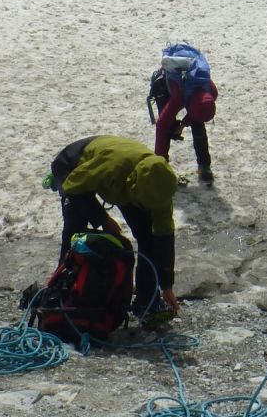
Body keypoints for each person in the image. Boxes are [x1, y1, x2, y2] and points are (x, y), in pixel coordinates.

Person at [47, 135, 181, 325]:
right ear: (133, 188)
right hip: (73, 166)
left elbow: (164, 237)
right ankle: (61, 297)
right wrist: (103, 219)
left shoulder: (160, 186)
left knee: (148, 237)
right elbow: (73, 187)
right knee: (75, 235)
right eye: (142, 204)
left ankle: (146, 301)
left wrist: (167, 284)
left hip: (118, 180)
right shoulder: (111, 167)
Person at [151, 43, 218, 184]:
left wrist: (183, 124)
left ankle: (204, 166)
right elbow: (161, 126)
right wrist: (159, 161)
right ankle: (161, 167)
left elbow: (196, 114)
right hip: (166, 86)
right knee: (167, 126)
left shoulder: (210, 91)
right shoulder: (179, 97)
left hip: (188, 92)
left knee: (198, 124)